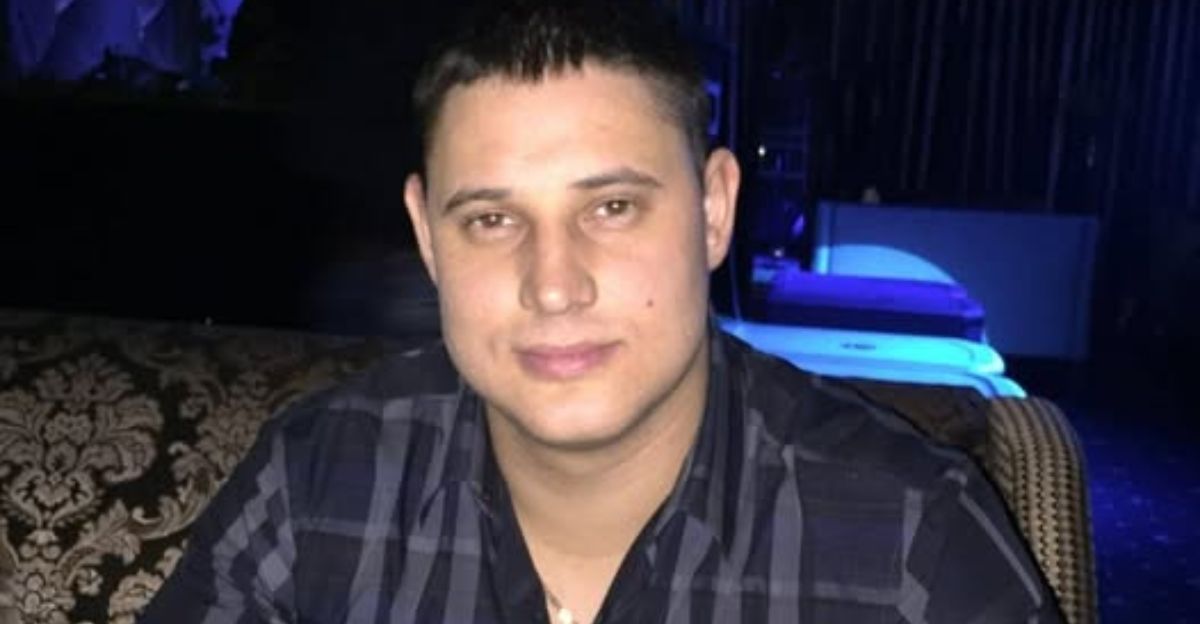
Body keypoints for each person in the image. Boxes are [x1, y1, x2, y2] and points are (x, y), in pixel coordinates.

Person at [141, 1, 1064, 622]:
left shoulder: (911, 542)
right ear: (426, 236)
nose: (554, 285)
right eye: (492, 219)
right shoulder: (319, 479)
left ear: (713, 210)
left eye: (612, 208)